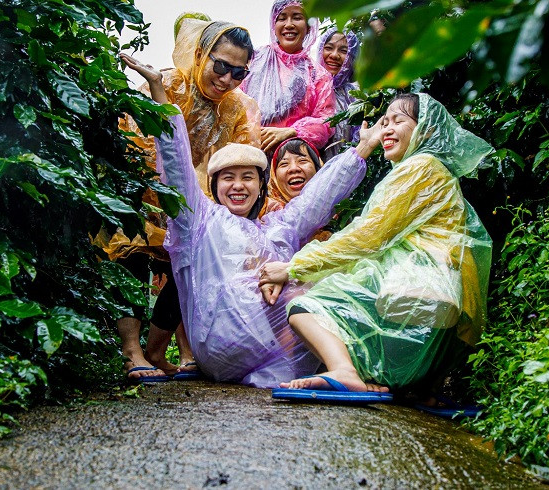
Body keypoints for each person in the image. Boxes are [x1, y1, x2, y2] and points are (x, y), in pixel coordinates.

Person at [120, 53, 383, 388]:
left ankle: (357, 373)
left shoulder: (277, 225)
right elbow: (175, 163)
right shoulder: (199, 220)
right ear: (214, 186)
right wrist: (160, 95)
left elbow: (319, 197)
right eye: (228, 178)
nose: (239, 185)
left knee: (336, 274)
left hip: (273, 353)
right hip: (221, 343)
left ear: (261, 185)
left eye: (248, 177)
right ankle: (350, 370)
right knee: (309, 286)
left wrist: (361, 150)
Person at [259, 93, 493, 397]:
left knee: (303, 309)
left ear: (427, 130)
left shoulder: (420, 167)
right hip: (442, 302)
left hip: (421, 286)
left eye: (398, 121)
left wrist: (293, 268)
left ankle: (344, 372)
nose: (387, 130)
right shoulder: (432, 171)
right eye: (385, 122)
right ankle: (418, 386)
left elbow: (367, 237)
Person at [105, 15, 260, 383]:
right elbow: (137, 140)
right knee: (132, 256)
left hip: (195, 200)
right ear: (201, 53)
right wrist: (168, 193)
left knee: (192, 265)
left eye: (238, 73)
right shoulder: (168, 84)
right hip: (143, 190)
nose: (227, 80)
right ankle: (132, 351)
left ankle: (159, 350)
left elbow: (236, 157)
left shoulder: (238, 107)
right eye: (221, 66)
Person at [241, 0, 337, 154]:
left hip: (290, 160)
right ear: (274, 24)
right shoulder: (254, 59)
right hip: (249, 155)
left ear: (308, 26)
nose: (289, 24)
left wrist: (292, 132)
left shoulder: (318, 75)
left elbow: (327, 123)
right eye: (282, 17)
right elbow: (234, 102)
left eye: (297, 17)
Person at [316, 28, 361, 160]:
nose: (334, 55)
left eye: (343, 51)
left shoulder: (356, 96)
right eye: (329, 48)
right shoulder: (307, 88)